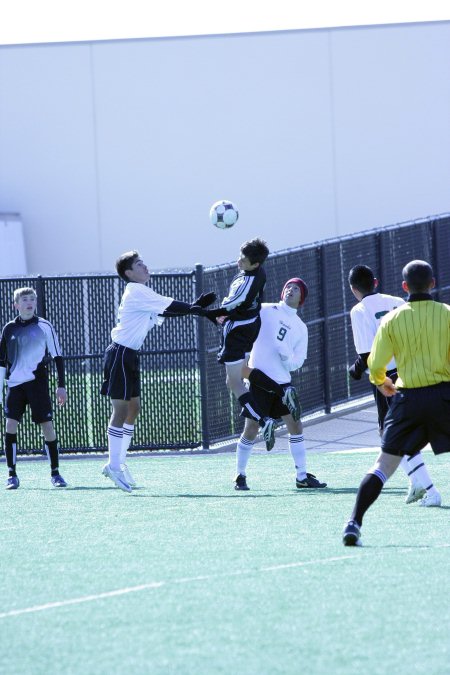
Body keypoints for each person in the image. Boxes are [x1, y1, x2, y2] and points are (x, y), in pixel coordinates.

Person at [343, 260, 450, 546]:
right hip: (444, 394)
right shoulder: (447, 314)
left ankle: (354, 522)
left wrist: (384, 383)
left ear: (405, 287)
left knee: (383, 465)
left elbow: (375, 364)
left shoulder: (392, 320)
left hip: (408, 397)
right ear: (433, 283)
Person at [100, 250, 216, 492]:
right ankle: (113, 465)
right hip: (120, 353)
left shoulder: (143, 293)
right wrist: (198, 309)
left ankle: (119, 463)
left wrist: (199, 310)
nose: (145, 267)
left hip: (129, 354)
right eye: (139, 264)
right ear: (128, 273)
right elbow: (172, 305)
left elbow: (167, 311)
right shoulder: (136, 290)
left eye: (144, 263)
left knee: (134, 408)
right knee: (120, 410)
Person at [200, 238, 298, 452]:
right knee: (244, 371)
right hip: (249, 325)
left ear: (255, 264)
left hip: (238, 333)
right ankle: (284, 391)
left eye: (243, 260)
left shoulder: (246, 285)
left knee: (233, 382)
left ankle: (265, 421)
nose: (239, 261)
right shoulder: (258, 271)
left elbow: (225, 309)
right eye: (240, 256)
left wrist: (199, 310)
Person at [233, 277, 327, 491]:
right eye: (288, 287)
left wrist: (286, 356)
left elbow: (297, 362)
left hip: (283, 386)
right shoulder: (266, 309)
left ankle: (302, 476)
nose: (290, 290)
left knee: (295, 426)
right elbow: (245, 314)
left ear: (302, 298)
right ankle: (240, 475)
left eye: (296, 289)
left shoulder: (301, 328)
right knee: (251, 428)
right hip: (258, 381)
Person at [0, 287, 68, 490]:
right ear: (16, 305)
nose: (29, 303)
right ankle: (12, 474)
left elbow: (57, 356)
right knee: (10, 426)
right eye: (25, 300)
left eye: (32, 299)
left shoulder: (44, 326)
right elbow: (2, 362)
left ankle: (55, 473)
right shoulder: (8, 328)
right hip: (15, 386)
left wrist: (61, 386)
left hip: (37, 385)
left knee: (47, 426)